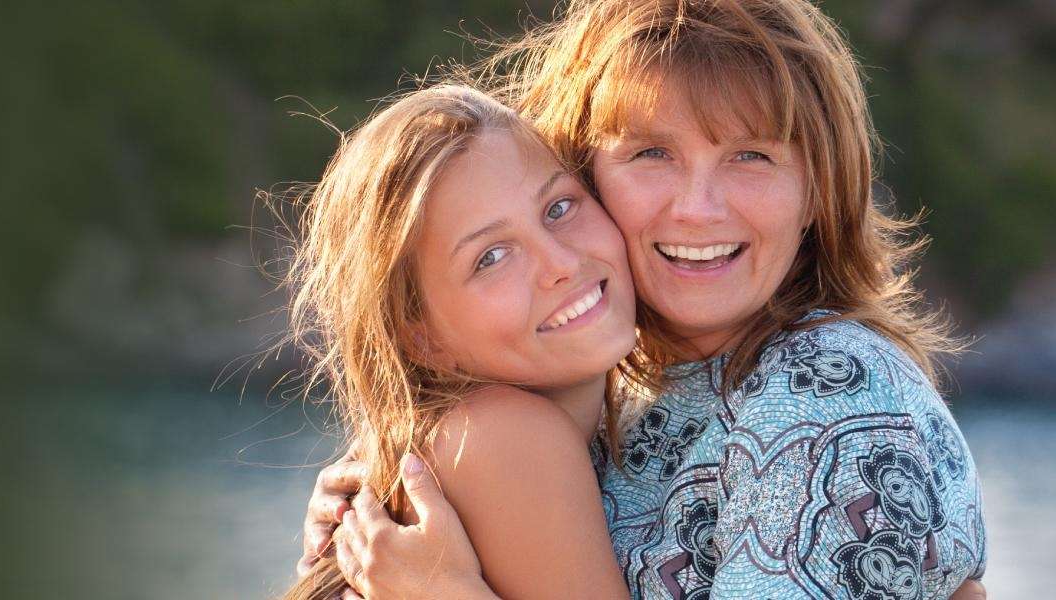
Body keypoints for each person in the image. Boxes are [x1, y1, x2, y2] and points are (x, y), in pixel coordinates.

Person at [294, 0, 989, 598]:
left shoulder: (822, 390)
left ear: (818, 189)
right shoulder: (597, 409)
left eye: (752, 155)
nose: (696, 208)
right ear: (591, 171)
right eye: (651, 153)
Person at [275, 82, 646, 600]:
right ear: (420, 338)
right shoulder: (505, 436)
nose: (561, 264)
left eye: (558, 208)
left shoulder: (453, 441)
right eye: (491, 257)